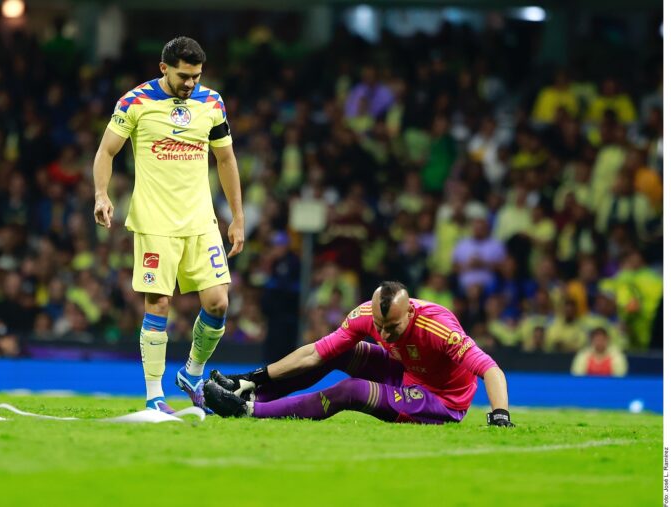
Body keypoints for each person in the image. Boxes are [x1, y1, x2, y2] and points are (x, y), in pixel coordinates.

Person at [92, 36, 244, 413]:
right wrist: (101, 194)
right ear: (164, 68)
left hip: (200, 221)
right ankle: (154, 397)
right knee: (159, 304)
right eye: (183, 75)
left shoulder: (211, 102)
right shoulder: (136, 102)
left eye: (196, 76)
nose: (190, 83)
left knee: (218, 302)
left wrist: (237, 217)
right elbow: (106, 151)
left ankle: (192, 373)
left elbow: (226, 161)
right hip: (155, 221)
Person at [204, 281, 514, 426]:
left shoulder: (438, 329)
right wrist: (254, 376)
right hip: (407, 372)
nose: (385, 334)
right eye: (380, 326)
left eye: (392, 327)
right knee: (335, 353)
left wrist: (499, 414)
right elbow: (315, 353)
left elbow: (490, 369)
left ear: (409, 314)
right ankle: (251, 393)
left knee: (351, 391)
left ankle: (247, 412)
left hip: (441, 400)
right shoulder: (366, 315)